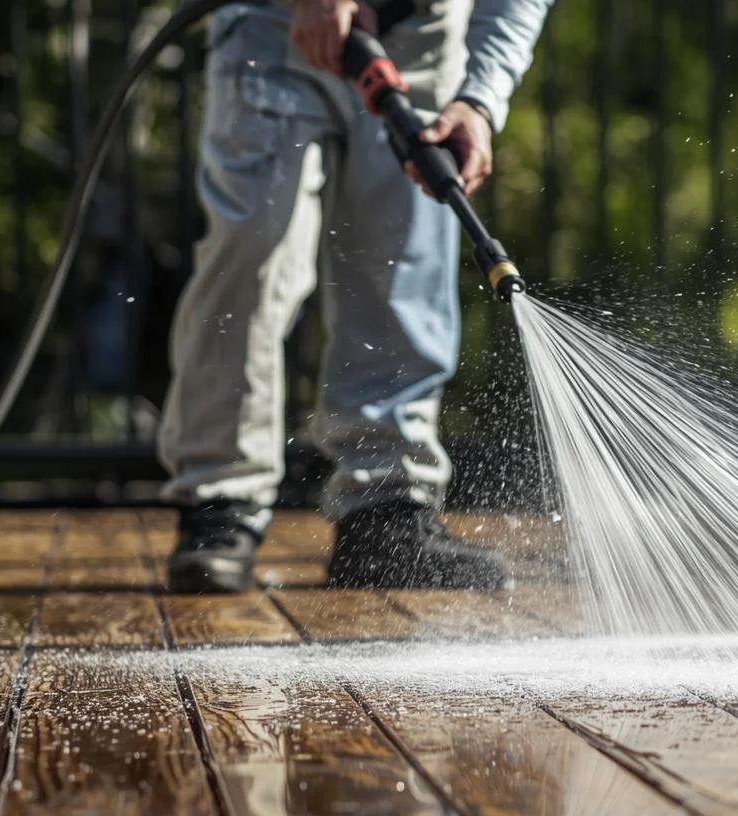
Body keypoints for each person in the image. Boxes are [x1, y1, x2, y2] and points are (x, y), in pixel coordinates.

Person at [158, 0, 551, 593]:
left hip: (420, 34)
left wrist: (478, 99)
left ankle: (385, 511)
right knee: (252, 247)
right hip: (274, 25)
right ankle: (221, 501)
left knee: (403, 261)